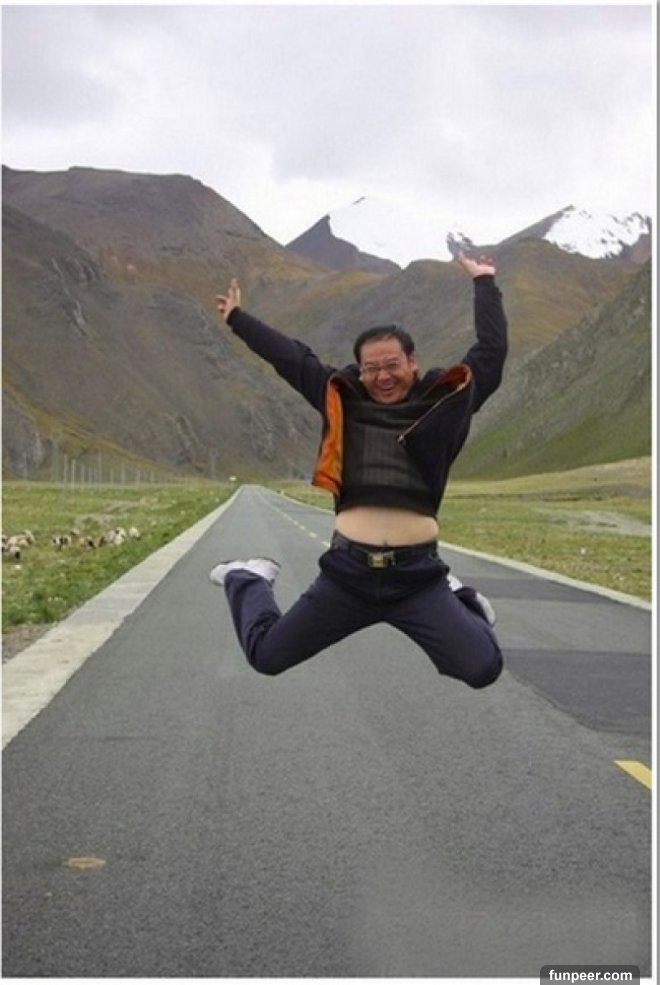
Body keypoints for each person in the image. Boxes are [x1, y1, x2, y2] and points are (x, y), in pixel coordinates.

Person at [211, 250, 508, 688]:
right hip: (348, 575)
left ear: (412, 363)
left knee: (483, 668)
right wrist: (238, 318)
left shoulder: (443, 403)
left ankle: (463, 601)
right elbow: (290, 357)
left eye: (392, 366)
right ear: (360, 371)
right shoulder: (341, 398)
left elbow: (491, 355)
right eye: (372, 369)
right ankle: (248, 578)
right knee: (267, 654)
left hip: (417, 578)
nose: (382, 377)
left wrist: (484, 282)